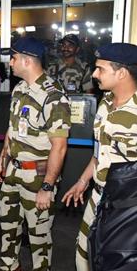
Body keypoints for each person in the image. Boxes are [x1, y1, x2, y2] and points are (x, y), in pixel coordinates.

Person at [0, 37, 71, 271]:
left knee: (39, 236)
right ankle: (9, 266)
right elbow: (12, 129)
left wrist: (47, 187)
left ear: (26, 61)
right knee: (8, 228)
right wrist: (1, 162)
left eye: (13, 58)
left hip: (37, 177)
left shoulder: (53, 95)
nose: (10, 63)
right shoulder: (19, 88)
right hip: (12, 172)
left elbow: (60, 146)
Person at [62, 43, 137, 271]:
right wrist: (83, 181)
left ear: (121, 72)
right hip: (97, 199)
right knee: (84, 255)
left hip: (127, 208)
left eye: (101, 69)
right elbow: (99, 152)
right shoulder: (105, 102)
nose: (94, 75)